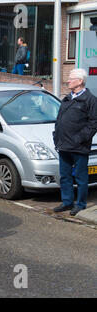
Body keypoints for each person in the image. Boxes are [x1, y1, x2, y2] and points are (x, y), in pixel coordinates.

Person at [52, 69, 97, 216]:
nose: (68, 81)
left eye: (71, 79)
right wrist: (56, 136)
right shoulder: (67, 98)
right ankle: (67, 202)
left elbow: (93, 123)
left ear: (80, 81)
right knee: (65, 176)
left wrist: (80, 138)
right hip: (63, 144)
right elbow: (59, 119)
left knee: (80, 177)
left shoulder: (90, 100)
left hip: (79, 146)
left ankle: (81, 204)